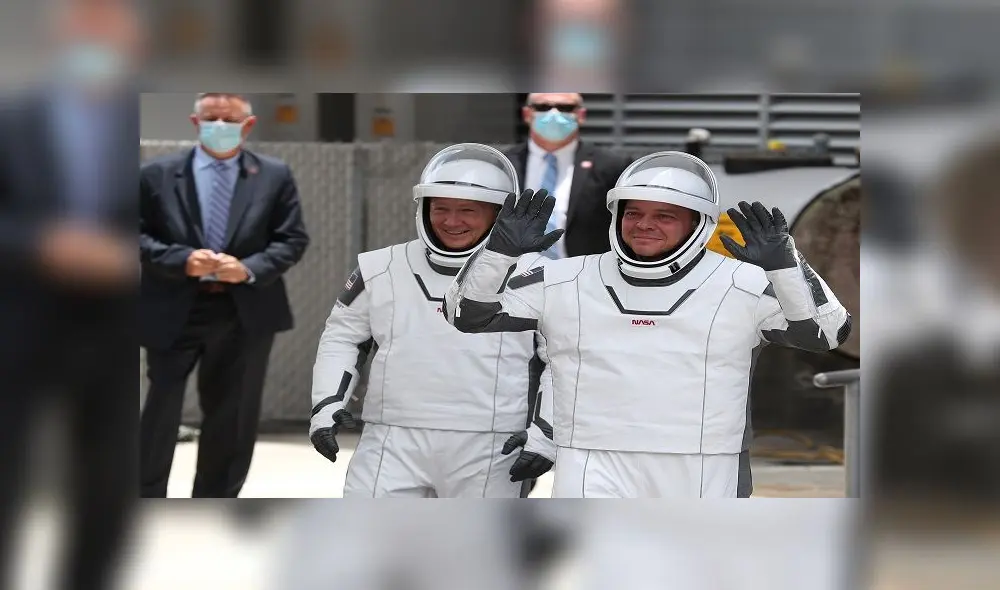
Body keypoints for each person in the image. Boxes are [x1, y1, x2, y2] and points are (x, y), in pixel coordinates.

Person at [445, 151, 852, 498]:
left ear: (698, 224)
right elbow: (467, 315)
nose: (644, 224)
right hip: (590, 459)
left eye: (664, 216)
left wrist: (786, 264)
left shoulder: (742, 282)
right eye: (633, 213)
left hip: (703, 463)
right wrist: (497, 252)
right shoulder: (563, 279)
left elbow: (825, 334)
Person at [309, 143, 550, 498]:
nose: (452, 221)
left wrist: (545, 434)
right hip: (390, 438)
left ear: (500, 215)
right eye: (441, 208)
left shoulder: (535, 275)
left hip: (492, 444)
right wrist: (326, 405)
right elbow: (342, 338)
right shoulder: (380, 267)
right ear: (423, 208)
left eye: (467, 210)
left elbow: (561, 361)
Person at [0, 1, 140, 587]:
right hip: (21, 319)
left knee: (107, 485)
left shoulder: (140, 119)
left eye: (108, 25)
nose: (95, 41)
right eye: (84, 25)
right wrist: (42, 242)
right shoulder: (14, 120)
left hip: (112, 327)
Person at [140, 92, 310, 498]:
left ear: (247, 125)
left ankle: (215, 500)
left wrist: (247, 269)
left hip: (243, 311)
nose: (220, 126)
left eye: (229, 119)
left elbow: (291, 238)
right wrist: (181, 259)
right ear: (195, 123)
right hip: (175, 304)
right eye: (211, 118)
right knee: (160, 408)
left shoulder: (273, 175)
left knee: (232, 415)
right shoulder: (156, 174)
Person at [505, 92, 631, 259]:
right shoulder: (504, 164)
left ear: (581, 115)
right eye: (543, 107)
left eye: (565, 108)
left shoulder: (612, 165)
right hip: (513, 275)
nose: (554, 113)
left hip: (584, 276)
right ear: (527, 114)